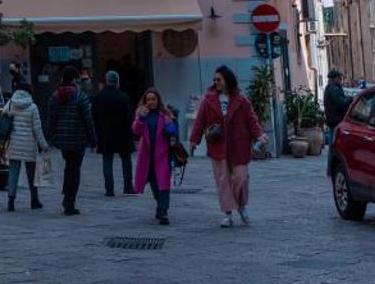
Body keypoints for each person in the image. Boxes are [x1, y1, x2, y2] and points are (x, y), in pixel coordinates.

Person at [187, 65, 265, 228]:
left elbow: (251, 120)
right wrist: (194, 140)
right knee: (222, 181)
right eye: (214, 80)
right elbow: (200, 121)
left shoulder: (241, 100)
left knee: (241, 178)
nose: (216, 82)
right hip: (218, 146)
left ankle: (241, 205)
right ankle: (227, 213)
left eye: (219, 79)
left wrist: (259, 135)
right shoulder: (208, 100)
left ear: (227, 80)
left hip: (239, 145)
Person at [44, 67, 97, 215]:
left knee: (69, 167)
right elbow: (88, 120)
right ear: (74, 80)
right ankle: (69, 201)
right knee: (75, 169)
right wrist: (93, 139)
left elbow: (50, 119)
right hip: (78, 139)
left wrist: (50, 137)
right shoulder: (80, 96)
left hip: (62, 141)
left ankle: (67, 197)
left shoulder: (54, 97)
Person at [130, 87, 178, 224]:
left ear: (158, 100)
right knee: (153, 182)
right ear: (145, 101)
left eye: (153, 99)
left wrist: (171, 122)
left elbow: (172, 131)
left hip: (162, 155)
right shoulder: (141, 113)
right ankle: (159, 205)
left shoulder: (164, 114)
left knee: (163, 183)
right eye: (148, 99)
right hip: (146, 156)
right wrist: (141, 118)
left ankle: (163, 211)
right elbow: (136, 131)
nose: (151, 102)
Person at [0, 86, 49, 211]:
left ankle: (11, 201)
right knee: (32, 174)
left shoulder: (10, 104)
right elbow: (37, 129)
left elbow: (2, 117)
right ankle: (34, 200)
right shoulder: (33, 107)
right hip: (29, 146)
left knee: (13, 172)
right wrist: (44, 145)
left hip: (14, 144)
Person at [91, 69, 135, 196]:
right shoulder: (124, 97)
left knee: (107, 160)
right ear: (118, 82)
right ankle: (128, 187)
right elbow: (129, 117)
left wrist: (97, 132)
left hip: (106, 134)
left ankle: (109, 189)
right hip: (123, 133)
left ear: (106, 81)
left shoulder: (99, 97)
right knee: (126, 159)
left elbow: (93, 116)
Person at [323, 69, 352, 147]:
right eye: (340, 78)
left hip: (332, 118)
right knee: (334, 142)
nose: (341, 80)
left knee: (332, 138)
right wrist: (349, 99)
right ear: (335, 78)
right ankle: (332, 158)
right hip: (336, 118)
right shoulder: (334, 89)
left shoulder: (330, 87)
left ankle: (332, 157)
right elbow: (341, 103)